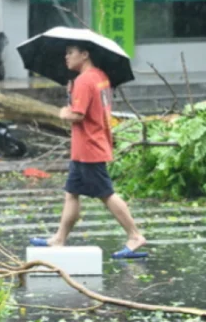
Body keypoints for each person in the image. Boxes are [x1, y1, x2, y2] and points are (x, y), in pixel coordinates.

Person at [29, 43, 148, 259]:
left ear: (84, 55)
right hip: (90, 144)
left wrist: (63, 112)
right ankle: (59, 238)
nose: (66, 57)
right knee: (71, 193)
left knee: (106, 194)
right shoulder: (99, 76)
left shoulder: (84, 81)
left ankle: (135, 235)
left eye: (70, 53)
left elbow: (78, 115)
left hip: (89, 147)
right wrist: (72, 95)